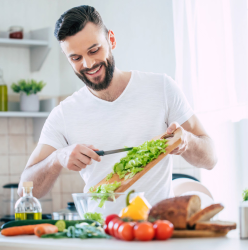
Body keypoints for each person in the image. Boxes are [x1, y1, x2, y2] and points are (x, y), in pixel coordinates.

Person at [18, 5, 217, 213]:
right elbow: (25, 192)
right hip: (98, 237)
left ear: (111, 40)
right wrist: (57, 158)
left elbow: (211, 158)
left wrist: (187, 141)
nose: (88, 64)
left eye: (94, 50)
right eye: (75, 58)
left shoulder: (162, 89)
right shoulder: (64, 114)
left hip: (156, 235)